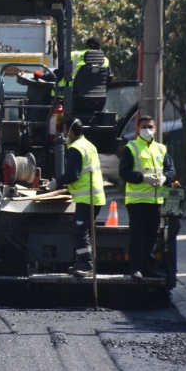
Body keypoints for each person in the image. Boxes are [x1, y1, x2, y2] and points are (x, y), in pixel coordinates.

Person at [119, 115, 176, 279]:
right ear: (138, 129)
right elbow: (124, 172)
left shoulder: (161, 149)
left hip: (156, 200)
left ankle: (148, 268)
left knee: (152, 236)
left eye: (150, 126)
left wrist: (165, 178)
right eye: (144, 127)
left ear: (156, 128)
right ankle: (135, 269)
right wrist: (144, 178)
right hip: (137, 201)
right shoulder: (131, 148)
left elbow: (171, 170)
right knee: (137, 236)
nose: (147, 130)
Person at [47, 118, 105, 277]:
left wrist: (57, 182)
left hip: (87, 197)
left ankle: (86, 265)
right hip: (96, 196)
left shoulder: (75, 148)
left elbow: (73, 174)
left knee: (79, 231)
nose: (63, 134)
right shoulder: (89, 145)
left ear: (71, 132)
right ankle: (83, 262)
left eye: (64, 130)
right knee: (85, 231)